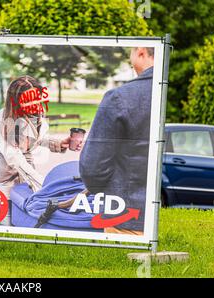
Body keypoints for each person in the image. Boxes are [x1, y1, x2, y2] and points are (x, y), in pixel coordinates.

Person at [79, 47, 155, 235]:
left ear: (141, 52)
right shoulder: (166, 91)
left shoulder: (120, 98)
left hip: (126, 217)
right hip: (157, 215)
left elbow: (93, 168)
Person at [0, 75, 81, 198]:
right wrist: (42, 183)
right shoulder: (2, 118)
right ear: (16, 101)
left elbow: (38, 138)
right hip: (1, 182)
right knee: (7, 215)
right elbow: (14, 157)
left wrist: (59, 143)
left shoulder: (37, 113)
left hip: (24, 180)